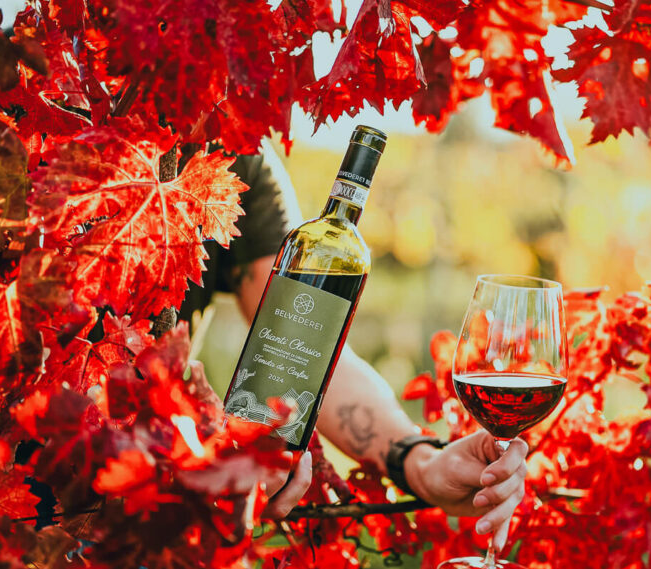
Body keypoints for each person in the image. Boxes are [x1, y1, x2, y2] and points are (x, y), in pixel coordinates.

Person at [186, 144, 528, 538]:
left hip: (157, 499)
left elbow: (312, 352)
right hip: (129, 471)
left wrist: (421, 463)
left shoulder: (232, 152)